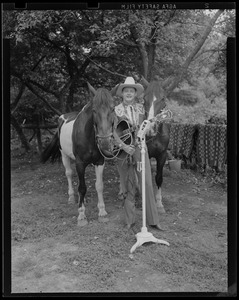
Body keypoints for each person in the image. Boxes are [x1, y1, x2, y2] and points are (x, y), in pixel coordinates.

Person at [113, 77, 163, 232]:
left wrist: (151, 125)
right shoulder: (116, 111)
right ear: (122, 94)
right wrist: (123, 146)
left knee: (147, 183)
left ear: (135, 93)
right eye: (126, 91)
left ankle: (153, 220)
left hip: (140, 149)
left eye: (131, 91)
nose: (129, 93)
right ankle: (130, 220)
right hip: (123, 152)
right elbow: (113, 133)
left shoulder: (142, 109)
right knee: (128, 185)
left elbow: (148, 129)